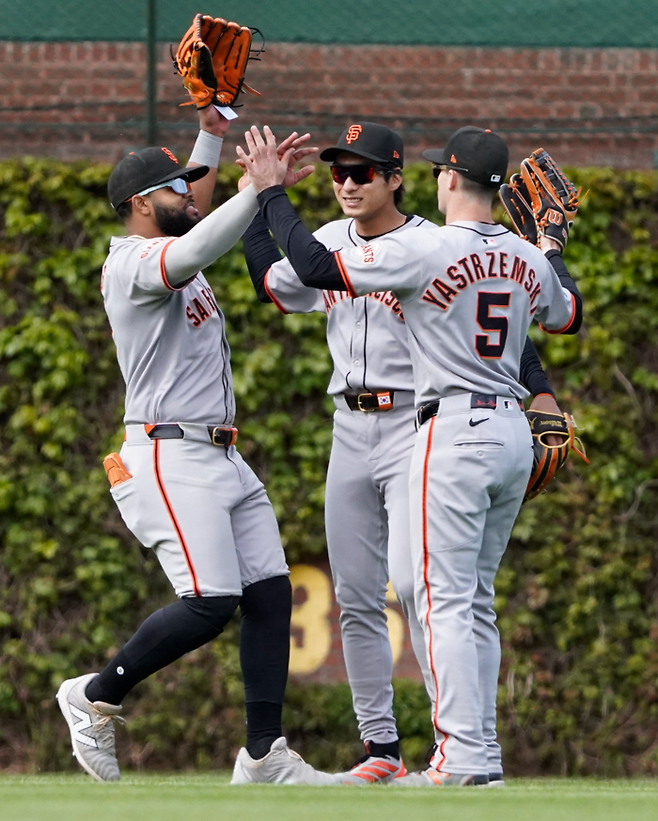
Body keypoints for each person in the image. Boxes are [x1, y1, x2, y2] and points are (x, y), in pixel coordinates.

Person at [239, 122, 568, 785]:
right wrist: (552, 244)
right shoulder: (523, 254)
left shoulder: (427, 247)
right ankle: (452, 752)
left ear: (437, 178)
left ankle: (458, 756)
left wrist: (267, 193)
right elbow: (561, 311)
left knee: (436, 597)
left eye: (364, 170)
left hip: (438, 426)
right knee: (465, 599)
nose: (350, 181)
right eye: (341, 171)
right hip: (491, 430)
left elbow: (311, 267)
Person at [55, 107, 334, 786]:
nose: (188, 194)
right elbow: (196, 240)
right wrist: (258, 189)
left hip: (220, 453)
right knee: (210, 600)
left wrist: (213, 126)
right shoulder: (131, 262)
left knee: (270, 593)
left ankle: (264, 752)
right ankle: (95, 691)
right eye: (173, 189)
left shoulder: (170, 233)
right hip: (166, 451)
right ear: (140, 205)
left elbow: (196, 216)